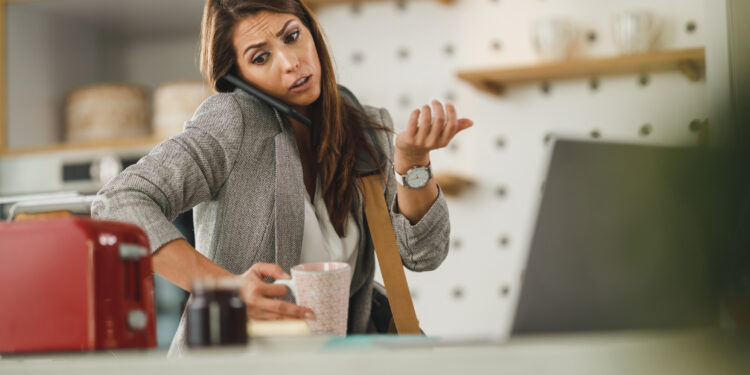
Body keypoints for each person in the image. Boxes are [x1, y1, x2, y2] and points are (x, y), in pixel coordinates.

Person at [92, 0, 473, 355]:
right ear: (238, 77)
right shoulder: (233, 121)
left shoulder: (366, 129)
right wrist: (224, 289)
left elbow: (423, 255)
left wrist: (413, 162)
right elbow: (117, 203)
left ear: (311, 31)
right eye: (261, 57)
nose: (290, 62)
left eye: (292, 36)